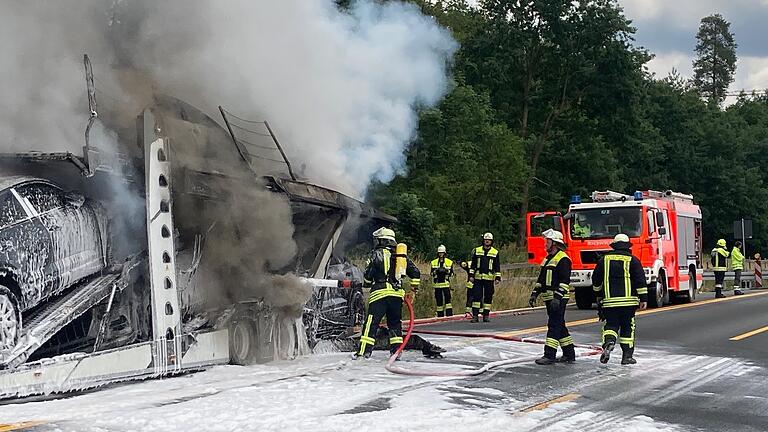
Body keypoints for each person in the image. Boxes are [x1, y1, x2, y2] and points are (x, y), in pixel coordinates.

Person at [355, 227, 420, 359]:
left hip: (380, 294)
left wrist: (367, 283)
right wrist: (413, 290)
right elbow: (416, 273)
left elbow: (368, 276)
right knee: (395, 324)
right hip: (397, 296)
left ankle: (363, 352)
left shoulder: (377, 254)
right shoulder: (401, 256)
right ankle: (396, 353)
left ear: (382, 241)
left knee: (371, 324)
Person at [591, 233, 648, 365]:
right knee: (628, 328)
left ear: (614, 246)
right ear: (628, 246)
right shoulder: (632, 260)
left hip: (610, 302)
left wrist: (598, 295)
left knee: (611, 325)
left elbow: (596, 280)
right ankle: (627, 357)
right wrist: (643, 298)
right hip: (629, 303)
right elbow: (640, 280)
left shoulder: (603, 260)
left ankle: (609, 342)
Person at [529, 229, 575, 365]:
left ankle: (549, 355)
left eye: (547, 241)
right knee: (560, 325)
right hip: (549, 298)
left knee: (554, 325)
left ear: (554, 243)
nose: (545, 244)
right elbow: (541, 279)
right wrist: (534, 294)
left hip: (558, 299)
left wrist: (558, 297)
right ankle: (569, 353)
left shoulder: (563, 259)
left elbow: (564, 281)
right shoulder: (548, 259)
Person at [469, 232, 501, 323]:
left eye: (489, 240)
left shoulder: (495, 252)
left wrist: (497, 277)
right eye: (486, 240)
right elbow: (473, 264)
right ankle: (475, 316)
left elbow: (497, 266)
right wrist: (471, 275)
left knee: (488, 297)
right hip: (478, 277)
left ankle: (486, 315)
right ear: (483, 241)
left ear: (491, 241)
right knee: (476, 296)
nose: (487, 241)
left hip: (489, 278)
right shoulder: (477, 250)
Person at [430, 245, 454, 317]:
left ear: (444, 253)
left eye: (442, 253)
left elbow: (452, 274)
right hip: (437, 284)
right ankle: (440, 315)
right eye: (439, 253)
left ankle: (449, 314)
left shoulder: (449, 262)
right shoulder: (433, 262)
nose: (441, 255)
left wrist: (447, 271)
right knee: (439, 300)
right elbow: (431, 274)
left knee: (448, 300)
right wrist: (436, 271)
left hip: (446, 284)